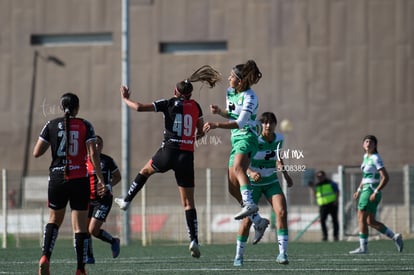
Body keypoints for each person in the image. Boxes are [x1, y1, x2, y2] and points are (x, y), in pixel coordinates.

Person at [114, 65, 222, 258]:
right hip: (186, 156)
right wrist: (195, 136)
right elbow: (199, 133)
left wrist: (125, 99)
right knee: (189, 203)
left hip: (168, 152)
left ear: (175, 91)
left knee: (145, 172)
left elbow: (138, 107)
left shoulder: (168, 103)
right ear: (189, 94)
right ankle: (194, 240)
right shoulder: (196, 106)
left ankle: (127, 200)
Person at [33, 93, 106, 275]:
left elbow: (36, 152)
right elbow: (92, 154)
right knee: (79, 227)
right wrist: (100, 178)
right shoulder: (85, 125)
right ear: (77, 108)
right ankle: (80, 269)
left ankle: (45, 257)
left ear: (61, 107)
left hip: (57, 179)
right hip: (79, 179)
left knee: (54, 220)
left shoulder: (50, 125)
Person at [203, 60, 269, 240]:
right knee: (232, 187)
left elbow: (240, 123)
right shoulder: (230, 92)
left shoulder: (250, 97)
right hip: (236, 139)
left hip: (248, 137)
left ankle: (249, 204)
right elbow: (232, 114)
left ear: (240, 81)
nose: (229, 78)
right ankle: (258, 221)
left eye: (232, 76)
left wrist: (216, 123)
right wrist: (220, 112)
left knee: (239, 168)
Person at [233, 112, 293, 266]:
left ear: (275, 124)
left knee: (282, 212)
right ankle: (239, 256)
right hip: (253, 184)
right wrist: (251, 173)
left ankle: (282, 254)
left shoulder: (279, 138)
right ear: (261, 125)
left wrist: (285, 174)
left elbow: (278, 159)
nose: (268, 125)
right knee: (247, 221)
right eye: (265, 123)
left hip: (271, 181)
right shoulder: (254, 139)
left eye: (271, 122)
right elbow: (241, 164)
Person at [349, 135, 403, 254]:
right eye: (366, 141)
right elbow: (365, 177)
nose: (368, 143)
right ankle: (394, 237)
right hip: (366, 190)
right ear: (363, 145)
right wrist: (358, 190)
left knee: (360, 217)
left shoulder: (375, 158)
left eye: (371, 142)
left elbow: (385, 177)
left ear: (375, 145)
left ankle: (363, 248)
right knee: (370, 221)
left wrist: (376, 191)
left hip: (370, 191)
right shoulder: (365, 157)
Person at [86, 135, 122, 263]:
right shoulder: (83, 161)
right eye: (94, 144)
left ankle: (113, 241)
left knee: (93, 230)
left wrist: (108, 186)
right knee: (85, 230)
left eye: (99, 144)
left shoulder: (107, 161)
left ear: (102, 146)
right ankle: (89, 256)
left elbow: (118, 177)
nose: (96, 146)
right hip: (87, 199)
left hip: (103, 199)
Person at [308, 170, 339, 241]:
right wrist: (312, 188)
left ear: (324, 176)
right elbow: (316, 194)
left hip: (332, 204)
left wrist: (336, 201)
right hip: (323, 206)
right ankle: (325, 236)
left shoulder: (330, 183)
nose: (320, 178)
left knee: (334, 220)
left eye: (321, 176)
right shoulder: (317, 185)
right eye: (318, 177)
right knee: (322, 220)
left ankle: (335, 235)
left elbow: (337, 191)